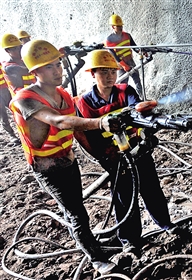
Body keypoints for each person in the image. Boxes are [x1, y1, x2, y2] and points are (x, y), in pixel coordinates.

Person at [9, 39, 122, 275]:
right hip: (47, 167)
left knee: (77, 207)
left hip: (67, 160)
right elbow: (59, 121)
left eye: (58, 64)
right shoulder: (24, 99)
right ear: (35, 71)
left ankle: (95, 247)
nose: (57, 70)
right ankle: (97, 260)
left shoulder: (63, 95)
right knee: (76, 214)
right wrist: (100, 122)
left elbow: (76, 130)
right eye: (49, 66)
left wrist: (102, 158)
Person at [74, 49, 175, 257]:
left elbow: (134, 108)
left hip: (138, 151)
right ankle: (129, 241)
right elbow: (86, 134)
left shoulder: (124, 91)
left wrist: (141, 111)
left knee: (151, 189)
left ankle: (166, 225)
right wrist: (104, 157)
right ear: (93, 74)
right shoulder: (85, 103)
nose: (110, 76)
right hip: (114, 157)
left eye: (113, 71)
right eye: (104, 72)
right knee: (124, 198)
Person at [104, 14, 143, 96]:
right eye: (118, 26)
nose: (121, 28)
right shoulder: (109, 40)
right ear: (113, 27)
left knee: (137, 79)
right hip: (121, 64)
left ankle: (141, 97)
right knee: (123, 84)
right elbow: (115, 56)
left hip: (130, 61)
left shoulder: (127, 35)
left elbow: (135, 47)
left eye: (121, 26)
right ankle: (123, 101)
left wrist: (141, 52)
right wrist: (124, 66)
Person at [1, 33, 36, 97]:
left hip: (34, 93)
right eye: (15, 48)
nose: (19, 50)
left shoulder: (23, 61)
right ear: (7, 50)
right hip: (22, 99)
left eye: (20, 47)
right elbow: (24, 69)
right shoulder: (8, 67)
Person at [0, 62, 19, 143]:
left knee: (17, 110)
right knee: (3, 116)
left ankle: (24, 132)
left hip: (6, 90)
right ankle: (12, 136)